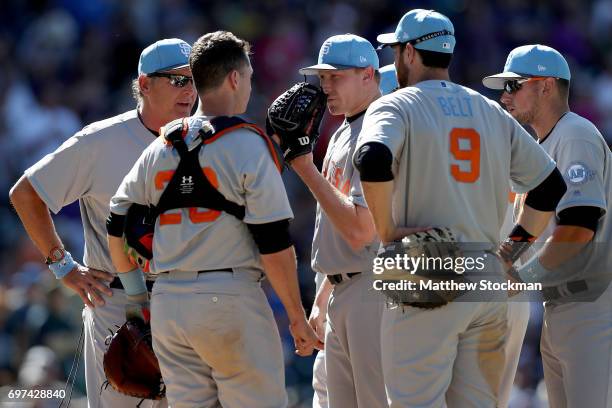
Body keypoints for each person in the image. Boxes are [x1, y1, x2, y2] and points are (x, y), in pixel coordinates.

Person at [353, 9, 567, 407]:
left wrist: (386, 233)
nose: (396, 59)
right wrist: (512, 251)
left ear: (411, 53)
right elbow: (550, 185)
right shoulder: (489, 110)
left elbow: (372, 157)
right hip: (486, 274)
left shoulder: (396, 104)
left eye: (397, 50)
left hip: (426, 267)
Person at [106, 30, 320, 408]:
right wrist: (296, 316)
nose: (250, 85)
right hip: (229, 300)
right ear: (235, 78)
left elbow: (117, 221)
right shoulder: (248, 143)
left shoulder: (160, 146)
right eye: (249, 76)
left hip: (171, 305)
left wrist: (137, 296)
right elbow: (273, 241)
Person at [9, 38, 196, 407]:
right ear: (144, 84)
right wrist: (63, 265)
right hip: (119, 306)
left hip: (188, 301)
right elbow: (26, 194)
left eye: (194, 80)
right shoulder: (101, 140)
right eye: (177, 80)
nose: (189, 90)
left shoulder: (205, 138)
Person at [484, 44, 612, 408]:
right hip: (563, 307)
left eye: (515, 85)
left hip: (593, 307)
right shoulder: (543, 145)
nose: (505, 96)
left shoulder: (575, 133)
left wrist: (521, 276)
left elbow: (578, 227)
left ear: (546, 86)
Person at [294, 34, 387, 407]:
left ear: (368, 74)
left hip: (375, 286)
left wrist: (303, 167)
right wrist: (323, 296)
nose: (326, 86)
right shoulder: (343, 130)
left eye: (337, 77)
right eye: (323, 78)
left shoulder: (382, 129)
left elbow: (361, 230)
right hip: (344, 288)